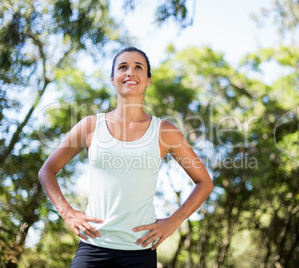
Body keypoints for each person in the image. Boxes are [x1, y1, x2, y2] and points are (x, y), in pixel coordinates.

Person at [38, 47, 213, 267]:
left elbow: (204, 182)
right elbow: (47, 171)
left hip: (139, 251)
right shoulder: (91, 125)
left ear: (147, 80)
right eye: (123, 67)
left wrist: (173, 222)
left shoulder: (164, 131)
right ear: (113, 79)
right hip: (93, 247)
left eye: (138, 67)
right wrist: (68, 213)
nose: (130, 72)